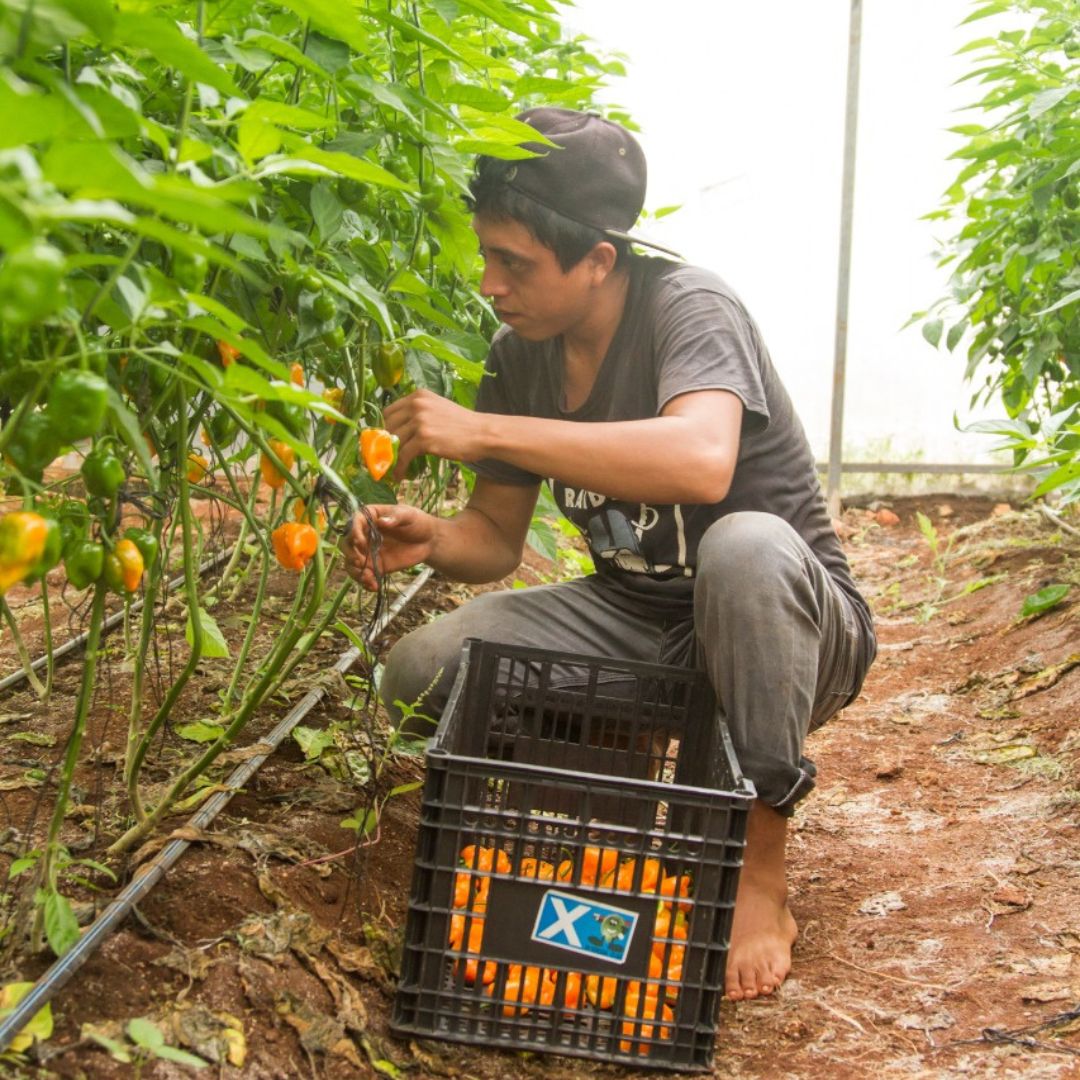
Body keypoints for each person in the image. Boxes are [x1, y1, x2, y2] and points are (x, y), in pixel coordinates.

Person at [343, 107, 876, 1002]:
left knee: (742, 549)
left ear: (598, 260)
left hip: (790, 627)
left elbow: (702, 462)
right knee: (421, 671)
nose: (491, 284)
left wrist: (485, 429)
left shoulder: (689, 307)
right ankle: (611, 814)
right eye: (487, 255)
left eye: (513, 262)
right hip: (639, 619)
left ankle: (758, 867)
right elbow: (497, 541)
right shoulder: (523, 354)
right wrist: (431, 540)